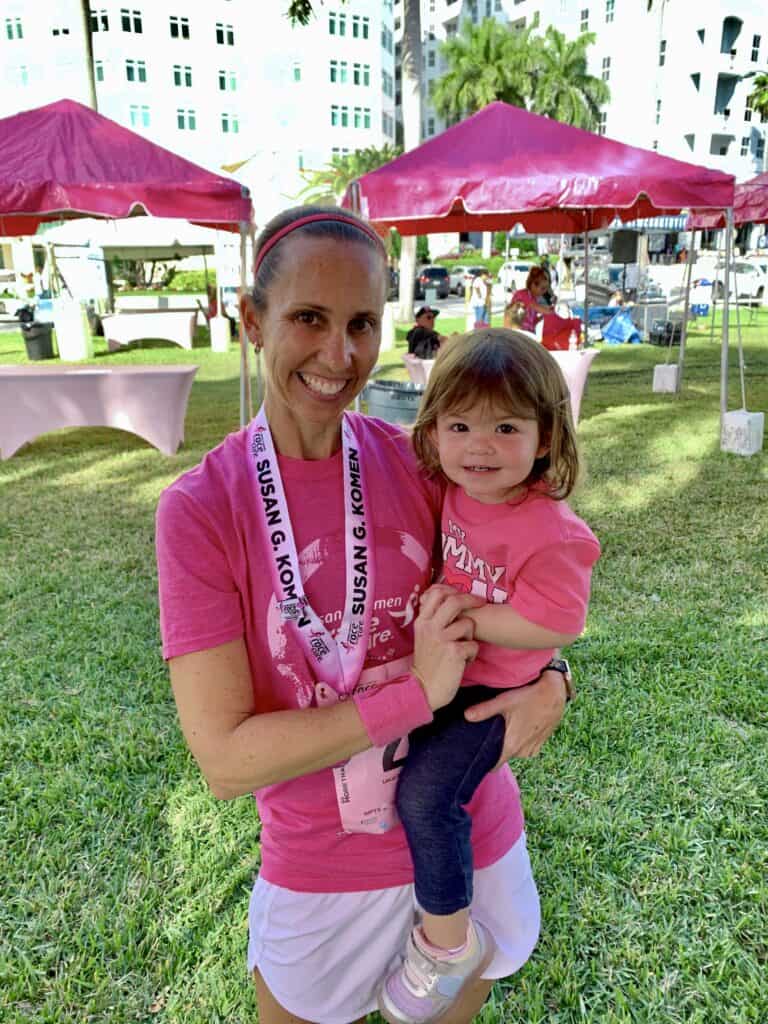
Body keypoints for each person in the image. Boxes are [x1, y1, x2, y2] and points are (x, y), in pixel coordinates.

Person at [156, 204, 570, 1024]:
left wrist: (556, 674)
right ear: (252, 320)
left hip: (467, 836)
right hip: (323, 868)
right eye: (308, 318)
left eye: (362, 323)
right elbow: (227, 761)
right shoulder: (201, 508)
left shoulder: (421, 464)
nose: (339, 354)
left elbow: (532, 575)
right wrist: (410, 696)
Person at [378, 328, 600, 1023]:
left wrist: (468, 613)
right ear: (434, 430)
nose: (479, 445)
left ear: (544, 439)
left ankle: (448, 942)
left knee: (426, 797)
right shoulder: (455, 489)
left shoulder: (551, 530)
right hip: (448, 676)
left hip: (491, 695)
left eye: (505, 427)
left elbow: (558, 624)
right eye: (460, 425)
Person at [510, 266, 553, 334]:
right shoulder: (523, 295)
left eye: (546, 289)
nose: (544, 291)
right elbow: (537, 307)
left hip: (527, 334)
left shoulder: (534, 299)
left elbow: (532, 322)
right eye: (542, 288)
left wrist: (541, 317)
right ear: (533, 285)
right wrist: (550, 311)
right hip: (518, 335)